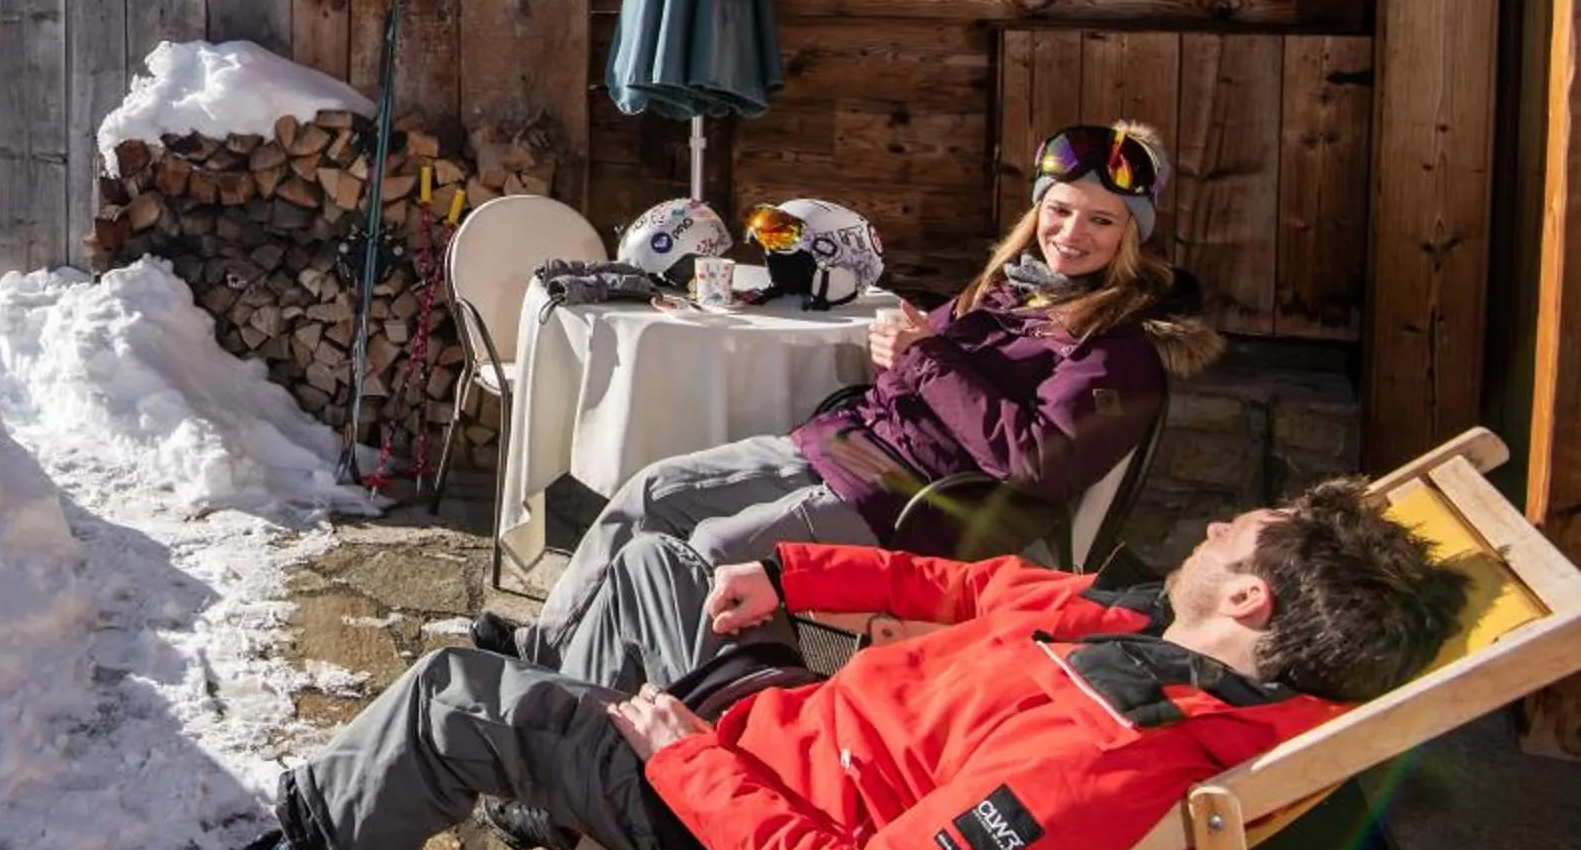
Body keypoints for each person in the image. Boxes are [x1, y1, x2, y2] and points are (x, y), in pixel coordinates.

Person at [166, 481, 1466, 850]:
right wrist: (791, 578)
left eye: (1255, 526)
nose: (1231, 514)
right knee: (647, 550)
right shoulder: (1133, 628)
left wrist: (678, 754)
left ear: (1251, 599)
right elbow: (970, 585)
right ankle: (540, 753)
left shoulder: (1103, 759)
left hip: (743, 846)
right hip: (783, 731)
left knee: (459, 692)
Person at [488, 120, 1219, 673]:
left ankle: (673, 715)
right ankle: (547, 654)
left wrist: (923, 358)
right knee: (651, 492)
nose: (1071, 233)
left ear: (1132, 237)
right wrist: (904, 355)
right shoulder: (1012, 288)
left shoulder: (1121, 349)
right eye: (1059, 210)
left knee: (709, 554)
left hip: (917, 504)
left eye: (1101, 219)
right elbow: (916, 366)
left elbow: (1032, 461)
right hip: (850, 449)